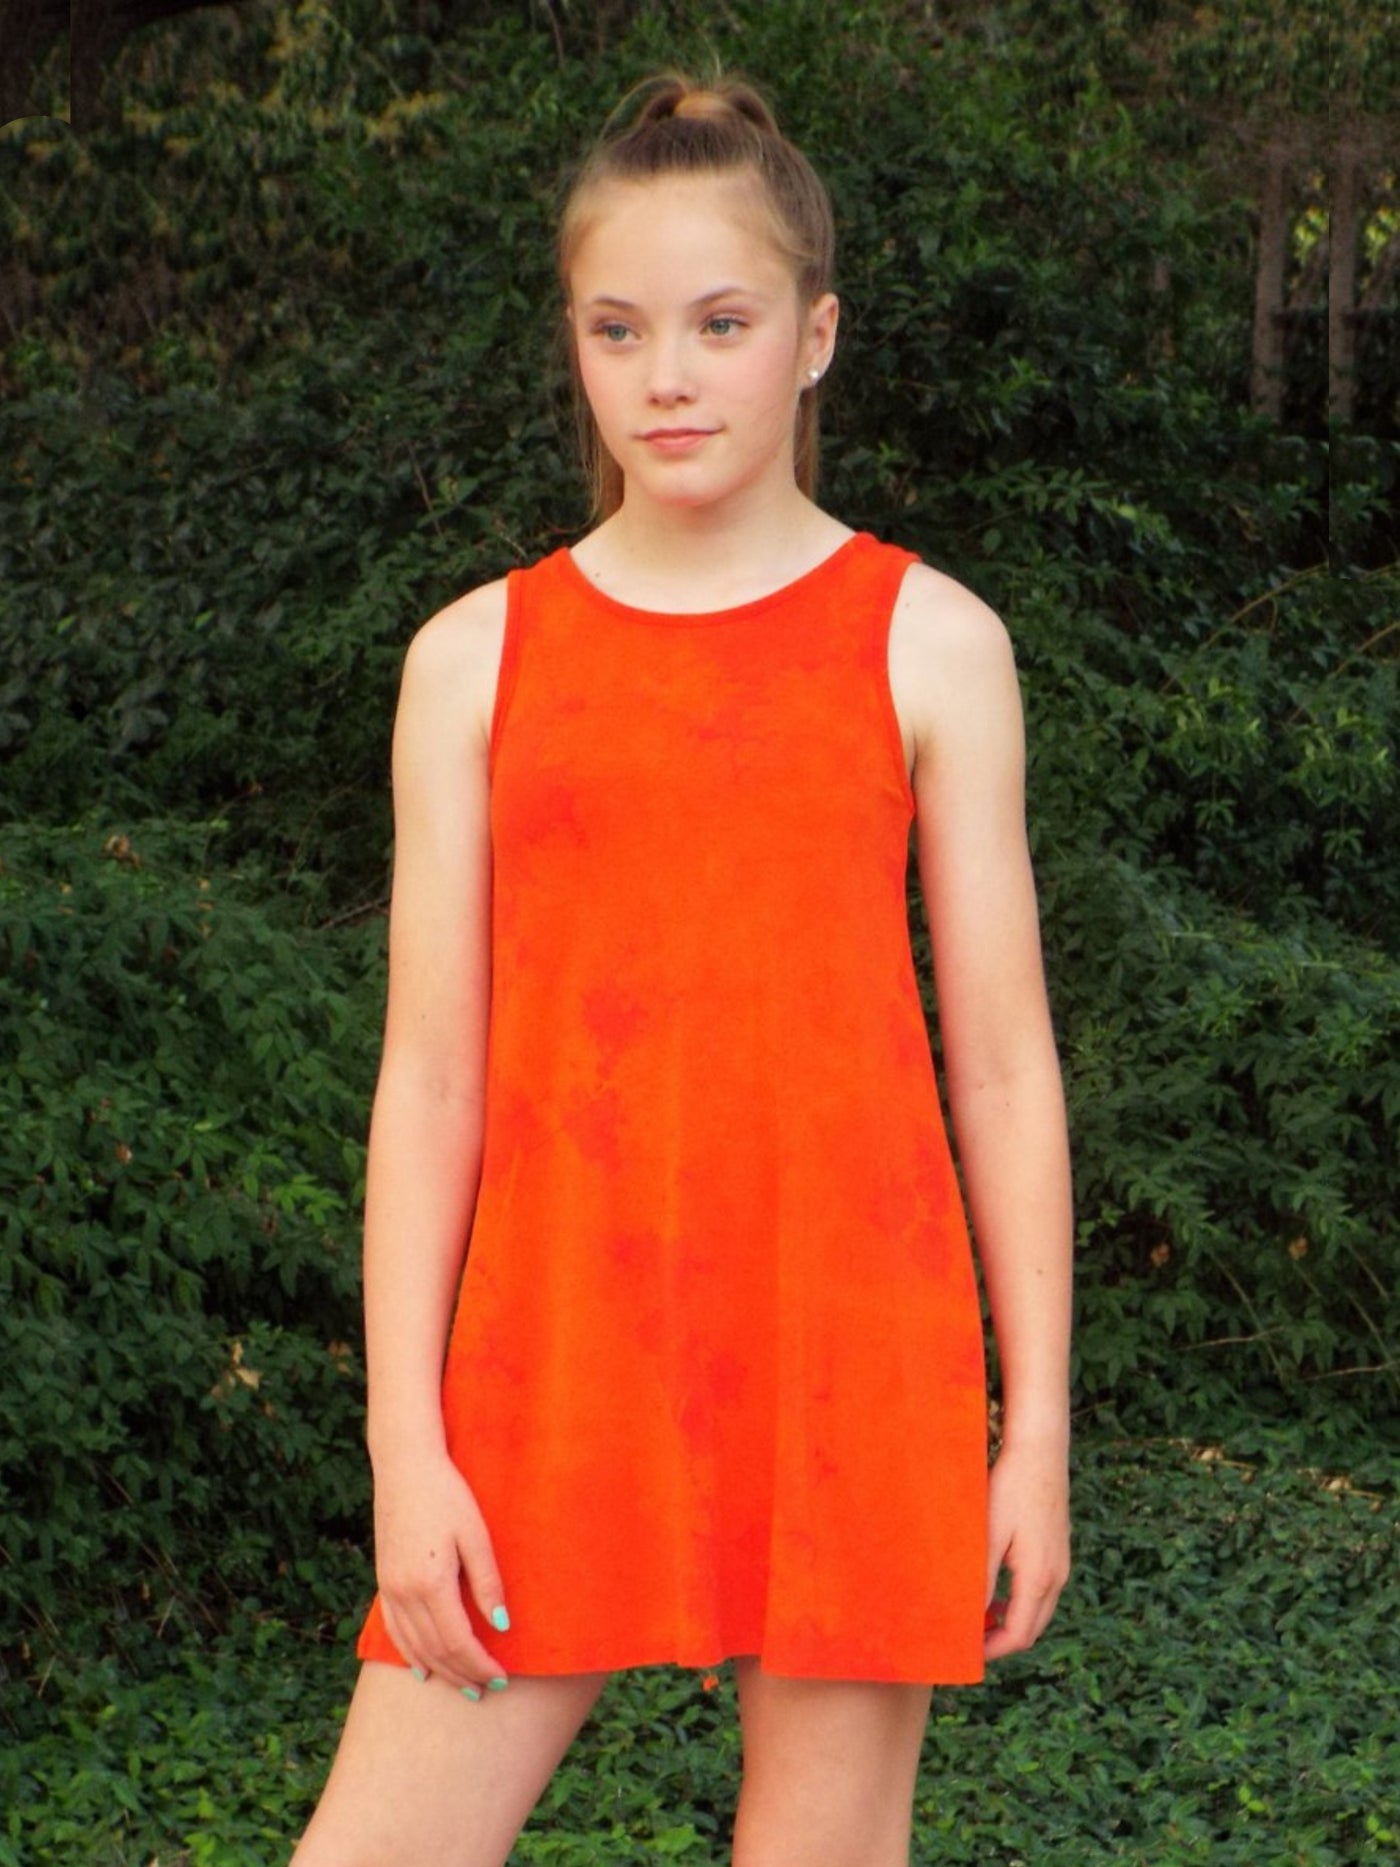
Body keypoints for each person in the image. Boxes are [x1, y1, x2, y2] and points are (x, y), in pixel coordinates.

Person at [291, 69, 1073, 1867]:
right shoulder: (472, 660)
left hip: (851, 1359)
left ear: (815, 337)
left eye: (721, 324)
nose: (668, 376)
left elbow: (1004, 1068)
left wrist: (1033, 1430)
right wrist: (405, 1446)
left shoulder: (934, 642)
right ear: (572, 343)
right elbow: (430, 1079)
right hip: (549, 1362)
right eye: (617, 328)